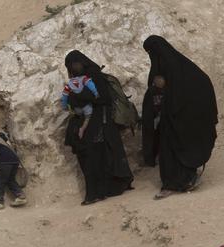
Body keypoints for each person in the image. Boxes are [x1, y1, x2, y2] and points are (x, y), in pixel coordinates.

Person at [142, 35, 218, 200]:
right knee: (167, 151)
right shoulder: (165, 66)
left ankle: (181, 182)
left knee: (181, 148)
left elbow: (191, 89)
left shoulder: (179, 68)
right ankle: (171, 183)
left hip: (183, 118)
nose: (151, 55)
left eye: (151, 51)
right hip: (168, 120)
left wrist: (169, 94)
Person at [63, 50, 134, 205]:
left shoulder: (95, 76)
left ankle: (96, 193)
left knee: (98, 159)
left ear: (82, 62)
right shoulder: (77, 80)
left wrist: (79, 97)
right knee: (92, 159)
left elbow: (102, 98)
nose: (74, 68)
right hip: (89, 125)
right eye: (71, 66)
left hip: (100, 126)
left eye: (75, 64)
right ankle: (96, 192)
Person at [61, 61, 99, 139]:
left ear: (70, 73)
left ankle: (78, 121)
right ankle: (82, 129)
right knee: (88, 117)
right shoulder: (84, 79)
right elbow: (91, 86)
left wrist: (64, 106)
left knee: (77, 113)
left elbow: (64, 96)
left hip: (77, 109)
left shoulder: (68, 85)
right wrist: (96, 93)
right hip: (86, 107)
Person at [140, 75, 166, 167]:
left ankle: (152, 159)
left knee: (154, 140)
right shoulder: (152, 92)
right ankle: (150, 160)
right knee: (151, 140)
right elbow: (148, 108)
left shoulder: (154, 91)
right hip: (152, 120)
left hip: (156, 120)